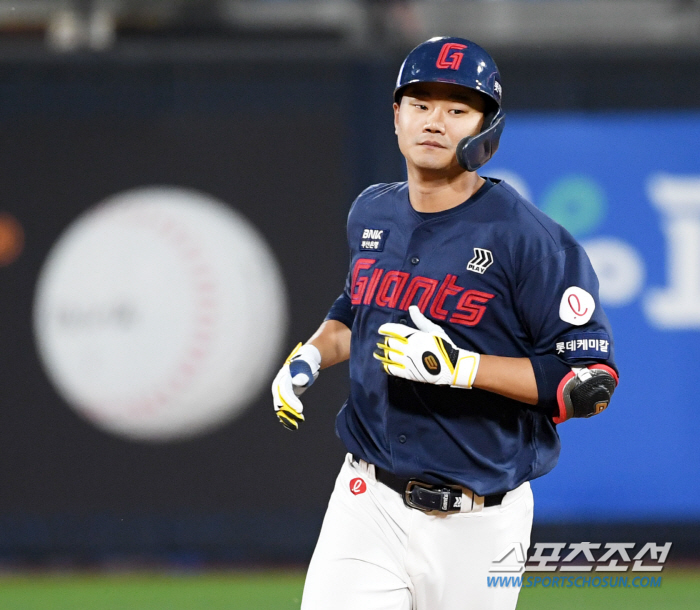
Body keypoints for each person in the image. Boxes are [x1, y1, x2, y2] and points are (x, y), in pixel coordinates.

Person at [272, 36, 619, 610]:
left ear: (487, 127)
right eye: (421, 103)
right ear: (396, 115)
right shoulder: (372, 211)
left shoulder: (531, 241)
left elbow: (591, 383)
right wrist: (309, 355)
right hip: (368, 501)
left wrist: (463, 368)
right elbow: (357, 307)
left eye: (457, 109)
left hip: (481, 521)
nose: (435, 121)